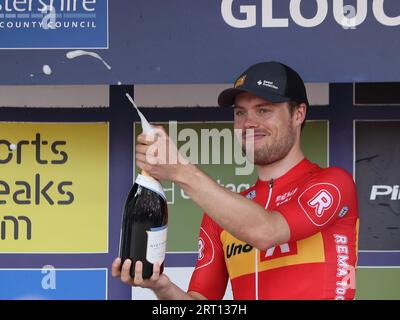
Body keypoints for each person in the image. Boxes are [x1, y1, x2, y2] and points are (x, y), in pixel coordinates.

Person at [112, 61, 359, 300]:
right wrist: (163, 288)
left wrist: (180, 171)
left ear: (298, 114)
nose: (249, 123)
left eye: (264, 110)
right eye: (240, 113)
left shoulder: (333, 183)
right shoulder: (221, 214)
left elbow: (267, 231)